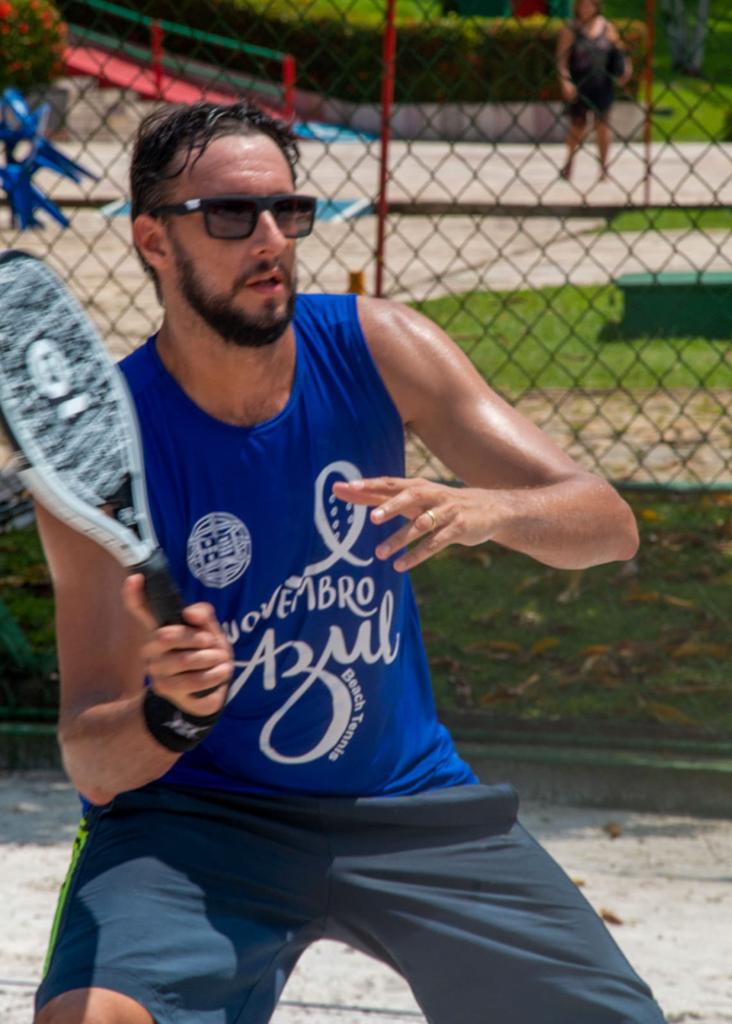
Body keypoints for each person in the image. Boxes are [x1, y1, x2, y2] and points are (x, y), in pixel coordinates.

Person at [34, 100, 666, 1024]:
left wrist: (493, 510)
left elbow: (608, 522)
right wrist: (167, 714)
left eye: (289, 212)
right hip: (198, 821)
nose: (271, 238)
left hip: (408, 804)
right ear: (152, 241)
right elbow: (92, 758)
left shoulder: (378, 345)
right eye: (229, 215)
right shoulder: (100, 455)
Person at [556, 0, 633, 182]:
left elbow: (619, 52)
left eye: (589, 4)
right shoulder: (571, 30)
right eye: (582, 4)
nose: (586, 8)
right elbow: (561, 60)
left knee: (603, 127)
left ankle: (604, 169)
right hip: (580, 85)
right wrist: (565, 81)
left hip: (601, 84)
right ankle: (569, 162)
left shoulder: (607, 28)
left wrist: (625, 69)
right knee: (578, 127)